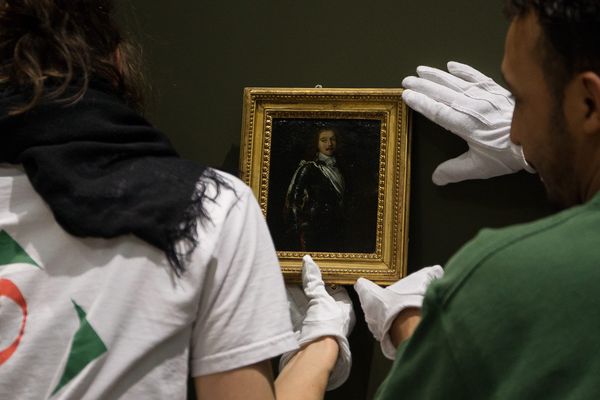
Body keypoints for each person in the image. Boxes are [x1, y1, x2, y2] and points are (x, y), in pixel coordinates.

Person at [0, 1, 353, 399]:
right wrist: (322, 343)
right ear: (119, 61)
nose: (329, 143)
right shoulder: (212, 206)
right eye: (324, 139)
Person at [353, 0, 600, 398]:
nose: (515, 132)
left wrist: (415, 326)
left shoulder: (503, 276)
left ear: (588, 104)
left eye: (520, 99)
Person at [284, 127, 346, 252]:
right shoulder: (308, 168)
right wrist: (300, 232)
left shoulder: (341, 168)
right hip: (314, 230)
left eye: (332, 140)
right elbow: (293, 202)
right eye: (324, 140)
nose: (329, 144)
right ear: (316, 144)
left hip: (336, 229)